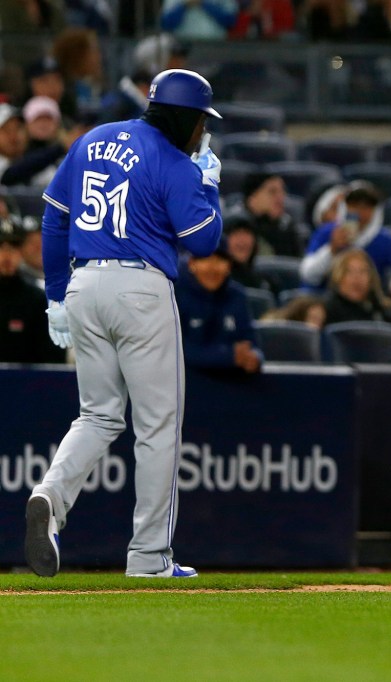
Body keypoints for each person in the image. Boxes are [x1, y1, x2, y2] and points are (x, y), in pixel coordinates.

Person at [27, 68, 225, 579]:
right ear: (185, 116)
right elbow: (203, 241)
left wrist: (54, 297)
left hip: (84, 286)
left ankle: (50, 494)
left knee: (97, 416)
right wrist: (208, 183)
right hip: (141, 288)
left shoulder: (92, 139)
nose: (203, 131)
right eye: (201, 121)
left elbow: (52, 216)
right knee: (156, 425)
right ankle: (149, 557)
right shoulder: (173, 159)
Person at [300, 181, 391, 297]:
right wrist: (331, 249)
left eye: (367, 206)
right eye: (354, 204)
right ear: (344, 207)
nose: (360, 212)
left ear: (376, 211)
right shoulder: (327, 232)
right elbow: (307, 274)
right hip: (322, 302)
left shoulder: (385, 241)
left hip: (366, 307)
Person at [175, 241, 263, 375]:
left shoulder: (237, 296)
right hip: (188, 386)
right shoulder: (175, 294)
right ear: (191, 264)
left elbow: (251, 343)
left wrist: (254, 358)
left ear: (229, 266)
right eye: (205, 260)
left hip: (233, 388)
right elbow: (175, 351)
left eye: (220, 261)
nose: (213, 268)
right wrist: (228, 356)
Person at [0, 219, 65, 364]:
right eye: (1, 247)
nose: (7, 255)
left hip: (25, 383)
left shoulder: (36, 300)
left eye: (14, 247)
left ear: (21, 252)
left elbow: (51, 359)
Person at [226, 172, 305, 257]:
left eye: (282, 192)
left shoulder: (287, 228)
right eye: (272, 192)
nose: (281, 197)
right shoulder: (233, 227)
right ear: (252, 197)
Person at [321, 248, 391, 325]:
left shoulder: (386, 310)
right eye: (349, 272)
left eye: (363, 271)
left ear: (371, 278)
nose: (357, 278)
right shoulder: (325, 311)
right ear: (338, 277)